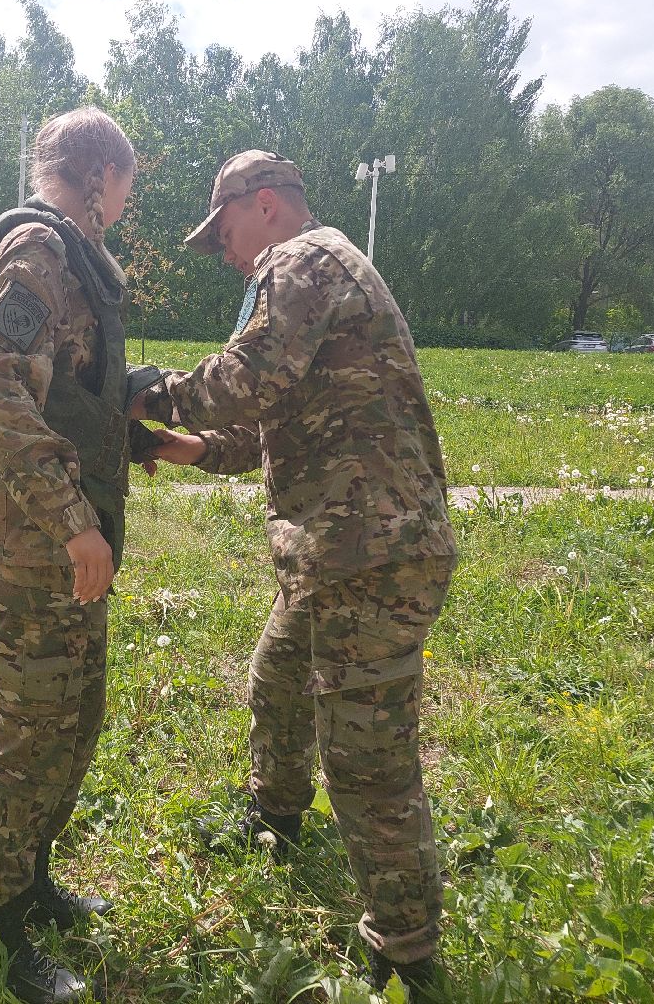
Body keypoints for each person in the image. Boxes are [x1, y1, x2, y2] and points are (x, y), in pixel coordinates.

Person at [134, 151, 457, 998]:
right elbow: (273, 411)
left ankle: (407, 947)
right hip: (336, 553)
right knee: (278, 679)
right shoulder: (311, 272)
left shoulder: (306, 260)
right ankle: (277, 816)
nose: (229, 255)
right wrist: (195, 445)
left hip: (371, 555)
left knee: (368, 759)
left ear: (264, 206)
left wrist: (158, 393)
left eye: (228, 235)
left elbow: (252, 375)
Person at [0, 106, 138, 1004]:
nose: (127, 199)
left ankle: (33, 875)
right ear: (98, 173)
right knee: (32, 728)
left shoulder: (73, 256)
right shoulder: (38, 247)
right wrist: (72, 519)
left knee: (77, 712)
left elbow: (68, 392)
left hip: (63, 528)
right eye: (126, 181)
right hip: (34, 533)